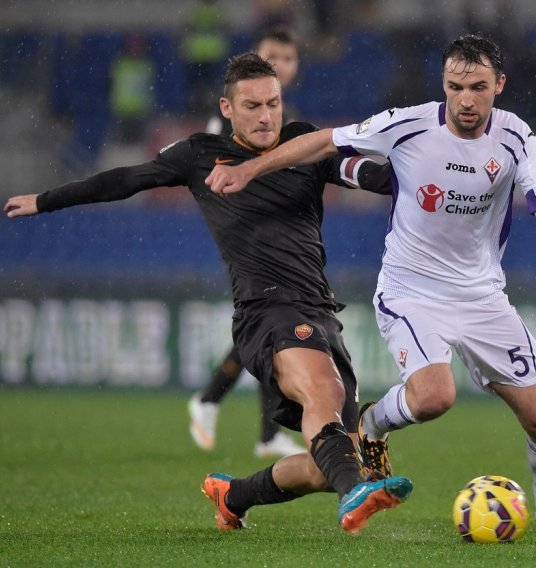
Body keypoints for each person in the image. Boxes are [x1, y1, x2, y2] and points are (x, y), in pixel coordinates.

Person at [203, 34, 536, 536]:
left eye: (478, 87)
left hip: (481, 296)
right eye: (456, 87)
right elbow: (325, 141)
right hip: (411, 290)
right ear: (444, 84)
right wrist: (252, 168)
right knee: (435, 396)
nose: (467, 99)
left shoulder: (517, 138)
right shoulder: (407, 125)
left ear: (499, 84)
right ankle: (370, 425)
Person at [5, 52, 411, 535]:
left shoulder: (302, 143)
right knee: (324, 393)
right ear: (228, 107)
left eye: (273, 103)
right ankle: (354, 497)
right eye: (253, 105)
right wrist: (47, 200)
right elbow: (126, 180)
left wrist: (426, 169)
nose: (265, 115)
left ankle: (234, 494)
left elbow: (367, 174)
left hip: (321, 312)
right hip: (265, 311)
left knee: (330, 461)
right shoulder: (200, 155)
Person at [193, 28, 305, 459]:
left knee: (271, 326)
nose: (281, 64)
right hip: (246, 233)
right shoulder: (233, 115)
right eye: (272, 55)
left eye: (288, 58)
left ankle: (259, 430)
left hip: (274, 232)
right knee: (271, 323)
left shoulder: (278, 113)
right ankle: (215, 402)